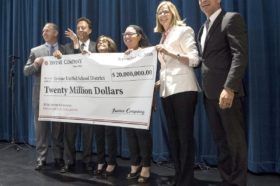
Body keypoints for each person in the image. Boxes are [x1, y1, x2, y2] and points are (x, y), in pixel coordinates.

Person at [197, 0, 248, 185]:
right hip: (209, 94)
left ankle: (238, 182)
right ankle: (227, 180)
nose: (203, 0)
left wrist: (229, 88)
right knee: (221, 141)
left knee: (235, 141)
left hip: (227, 93)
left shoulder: (231, 19)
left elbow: (239, 55)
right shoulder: (203, 28)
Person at [154, 1, 200, 186]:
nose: (162, 15)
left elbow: (195, 60)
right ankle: (179, 175)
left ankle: (187, 180)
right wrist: (159, 81)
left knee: (184, 135)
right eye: (159, 12)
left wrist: (170, 52)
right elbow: (166, 68)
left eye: (166, 11)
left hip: (184, 89)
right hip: (167, 91)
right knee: (173, 136)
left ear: (173, 13)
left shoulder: (184, 30)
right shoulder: (163, 36)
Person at [57, 17, 96, 173]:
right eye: (78, 27)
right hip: (71, 97)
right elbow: (68, 66)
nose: (80, 30)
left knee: (88, 132)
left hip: (89, 96)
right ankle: (69, 161)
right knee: (69, 132)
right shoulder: (66, 48)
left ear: (90, 30)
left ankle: (87, 161)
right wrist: (57, 58)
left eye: (83, 27)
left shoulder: (96, 46)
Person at [23, 23, 64, 171]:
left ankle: (59, 157)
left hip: (60, 95)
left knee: (58, 128)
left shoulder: (65, 50)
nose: (44, 33)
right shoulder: (36, 51)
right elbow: (26, 71)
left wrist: (62, 60)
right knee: (41, 128)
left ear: (56, 32)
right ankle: (41, 158)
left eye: (47, 30)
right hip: (40, 95)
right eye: (43, 31)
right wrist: (35, 64)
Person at [123, 25, 153, 183]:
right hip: (126, 100)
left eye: (130, 34)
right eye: (125, 34)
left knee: (142, 134)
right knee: (130, 134)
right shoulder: (123, 55)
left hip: (143, 100)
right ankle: (134, 164)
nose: (127, 37)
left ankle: (146, 166)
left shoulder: (148, 53)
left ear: (139, 36)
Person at [93, 35, 118, 177]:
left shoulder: (118, 58)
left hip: (112, 99)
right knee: (99, 133)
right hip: (97, 100)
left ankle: (112, 162)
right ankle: (100, 161)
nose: (101, 43)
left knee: (110, 133)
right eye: (99, 42)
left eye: (105, 42)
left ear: (111, 45)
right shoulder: (92, 60)